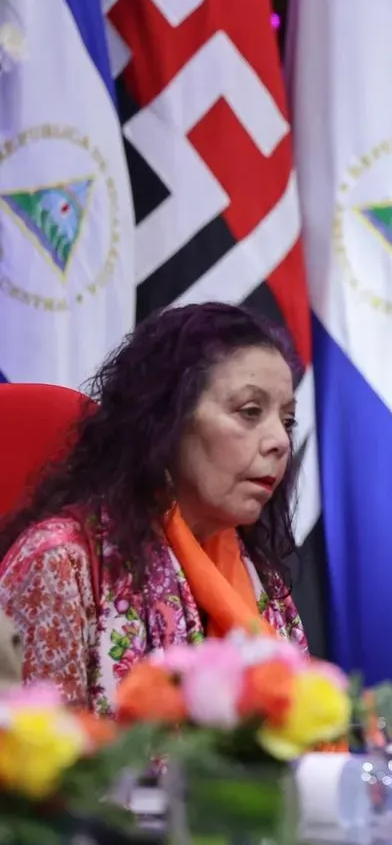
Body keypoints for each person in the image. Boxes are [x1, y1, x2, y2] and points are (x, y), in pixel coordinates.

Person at [0, 303, 308, 715]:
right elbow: (36, 766)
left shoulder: (260, 577)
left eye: (286, 421)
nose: (280, 442)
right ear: (166, 421)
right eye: (250, 412)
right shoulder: (62, 562)